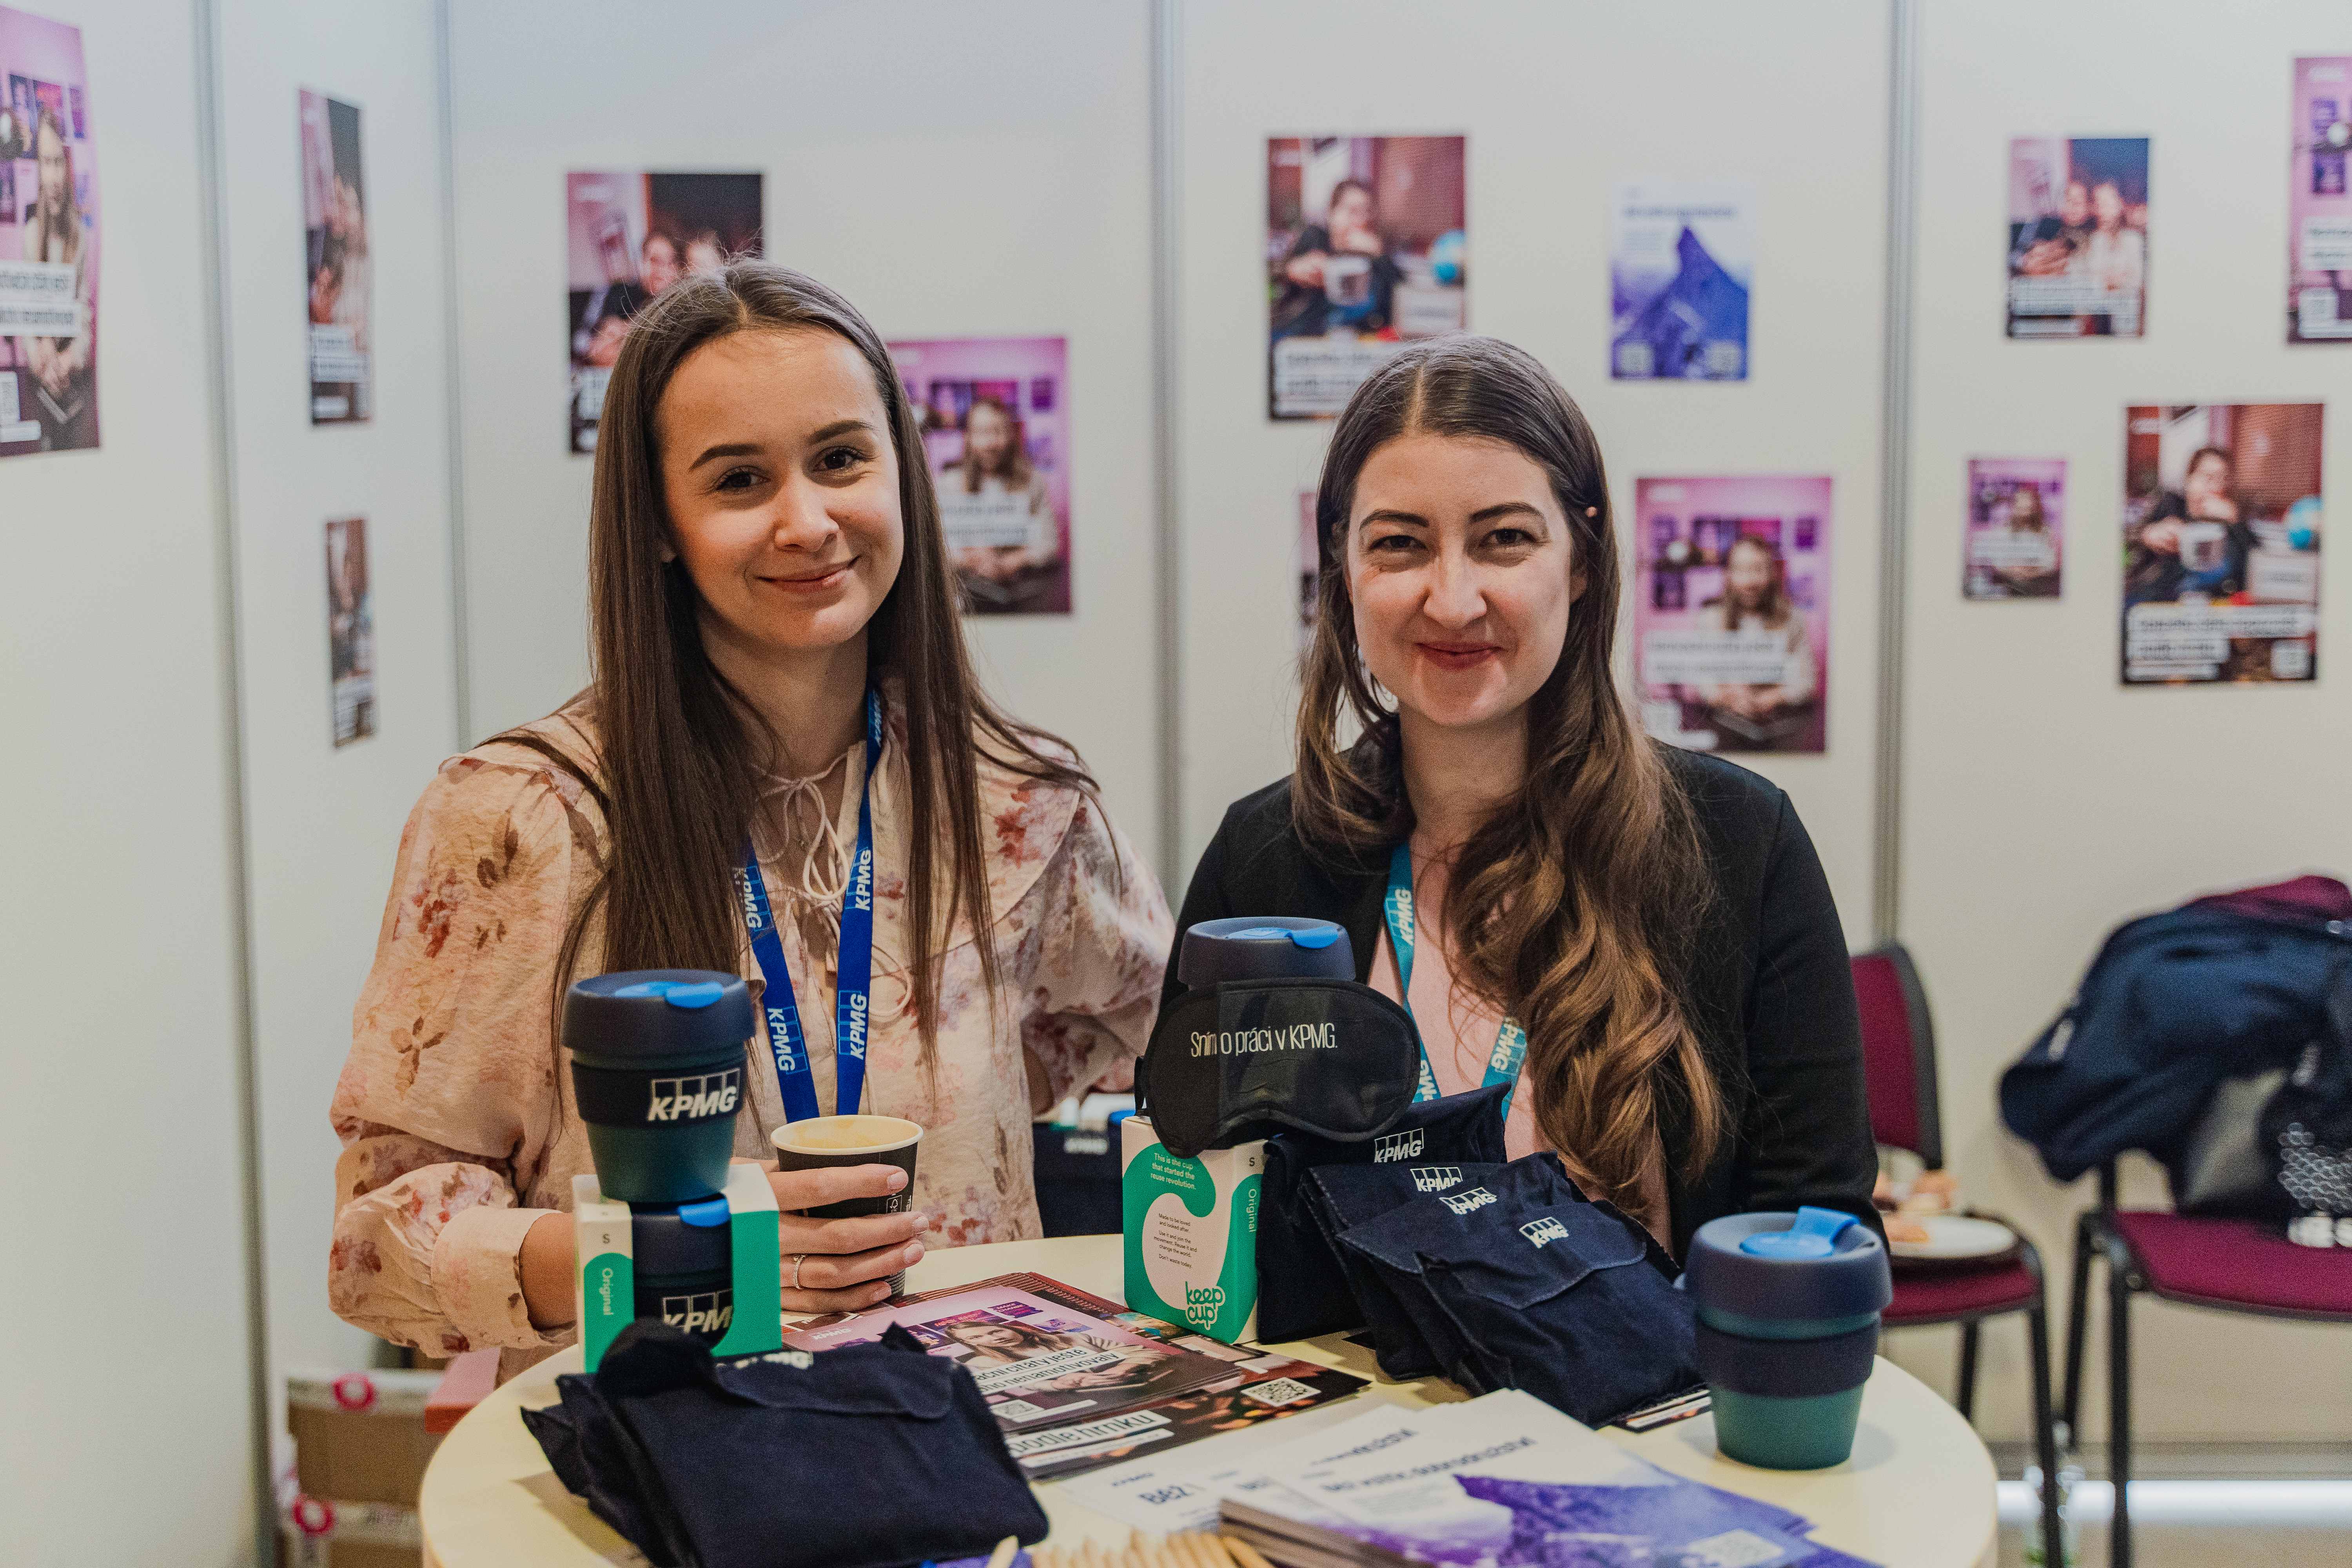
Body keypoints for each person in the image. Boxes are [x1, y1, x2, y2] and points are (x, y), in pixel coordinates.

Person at [330, 262, 1172, 1372]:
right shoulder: (522, 822)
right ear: (661, 523)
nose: (807, 522)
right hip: (668, 1446)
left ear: (903, 474)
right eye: (738, 480)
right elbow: (377, 1244)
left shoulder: (1021, 802)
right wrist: (656, 1255)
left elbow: (1146, 1026)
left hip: (966, 1431)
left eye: (841, 460)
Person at [1164, 336, 1876, 1259]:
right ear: (1342, 566)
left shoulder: (1738, 843)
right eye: (1400, 543)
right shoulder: (1265, 856)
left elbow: (1815, 1232)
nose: (1453, 600)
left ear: (1580, 560)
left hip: (1642, 1357)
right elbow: (1187, 1203)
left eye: (1504, 538)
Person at [1694, 534, 1818, 744]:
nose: (1749, 581)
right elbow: (1702, 681)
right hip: (1725, 730)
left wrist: (1772, 697)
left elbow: (1806, 682)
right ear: (1729, 574)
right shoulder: (1711, 619)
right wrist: (1728, 694)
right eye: (1741, 570)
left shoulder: (1793, 619)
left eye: (1758, 570)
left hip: (1781, 731)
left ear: (1771, 574)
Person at [20, 107, 95, 450]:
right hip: (39, 387)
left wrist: (68, 360)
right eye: (45, 163)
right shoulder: (30, 235)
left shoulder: (80, 238)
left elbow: (84, 319)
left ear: (68, 166)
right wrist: (39, 356)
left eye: (58, 163)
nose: (52, 177)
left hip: (71, 388)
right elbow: (26, 318)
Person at [945, 394, 1060, 595]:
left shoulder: (1032, 482)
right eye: (981, 432)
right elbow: (936, 545)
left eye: (997, 432)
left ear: (1010, 436)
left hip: (1021, 592)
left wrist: (1009, 563)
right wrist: (971, 559)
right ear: (968, 437)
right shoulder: (948, 484)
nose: (989, 443)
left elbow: (1048, 543)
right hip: (964, 593)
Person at [1271, 178, 1400, 340]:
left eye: (1367, 212)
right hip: (1302, 339)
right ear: (1332, 214)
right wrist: (1291, 269)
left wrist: (1381, 257)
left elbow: (1394, 303)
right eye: (1353, 211)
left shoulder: (1373, 259)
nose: (1362, 220)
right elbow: (1278, 272)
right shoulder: (1316, 239)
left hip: (1355, 344)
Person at [2127, 445, 2252, 605]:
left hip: (2212, 608)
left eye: (2224, 479)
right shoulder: (2170, 505)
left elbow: (2252, 569)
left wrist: (2237, 524)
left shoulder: (2232, 521)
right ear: (2189, 480)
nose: (2217, 487)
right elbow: (2125, 538)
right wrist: (2147, 534)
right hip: (2159, 603)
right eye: (2208, 478)